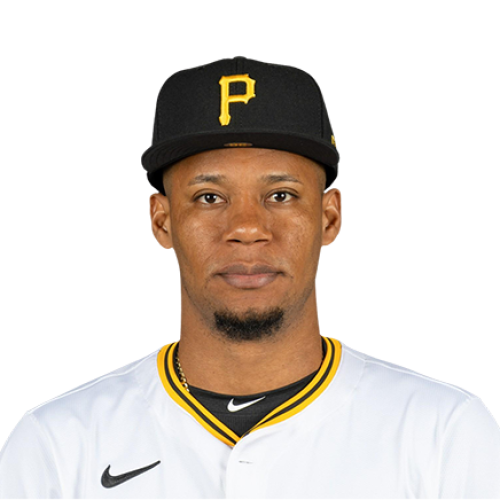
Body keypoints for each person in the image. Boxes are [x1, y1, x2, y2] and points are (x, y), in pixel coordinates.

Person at [1, 56, 499, 499]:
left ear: (329, 218)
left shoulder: (443, 433)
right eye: (209, 197)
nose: (246, 228)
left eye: (281, 195)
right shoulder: (57, 445)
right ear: (162, 221)